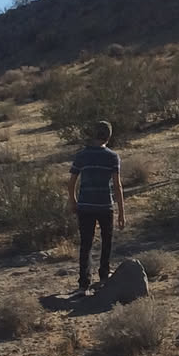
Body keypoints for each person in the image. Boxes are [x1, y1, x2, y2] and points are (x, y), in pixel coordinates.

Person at [66, 119, 126, 292]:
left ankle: (84, 283)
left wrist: (73, 201)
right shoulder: (112, 157)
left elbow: (71, 183)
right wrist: (121, 212)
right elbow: (117, 186)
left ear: (94, 134)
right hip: (105, 205)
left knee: (86, 243)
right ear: (109, 136)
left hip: (85, 205)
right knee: (106, 240)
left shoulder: (82, 155)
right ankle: (104, 275)